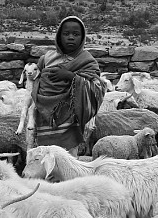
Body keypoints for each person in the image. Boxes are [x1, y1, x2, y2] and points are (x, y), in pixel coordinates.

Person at [32, 15, 106, 156]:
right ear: (59, 36)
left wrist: (70, 76)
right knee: (44, 157)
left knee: (68, 159)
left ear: (82, 37)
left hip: (70, 119)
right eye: (66, 34)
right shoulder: (47, 58)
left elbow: (97, 88)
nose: (71, 37)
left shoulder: (87, 60)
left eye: (76, 34)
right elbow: (36, 80)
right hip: (44, 116)